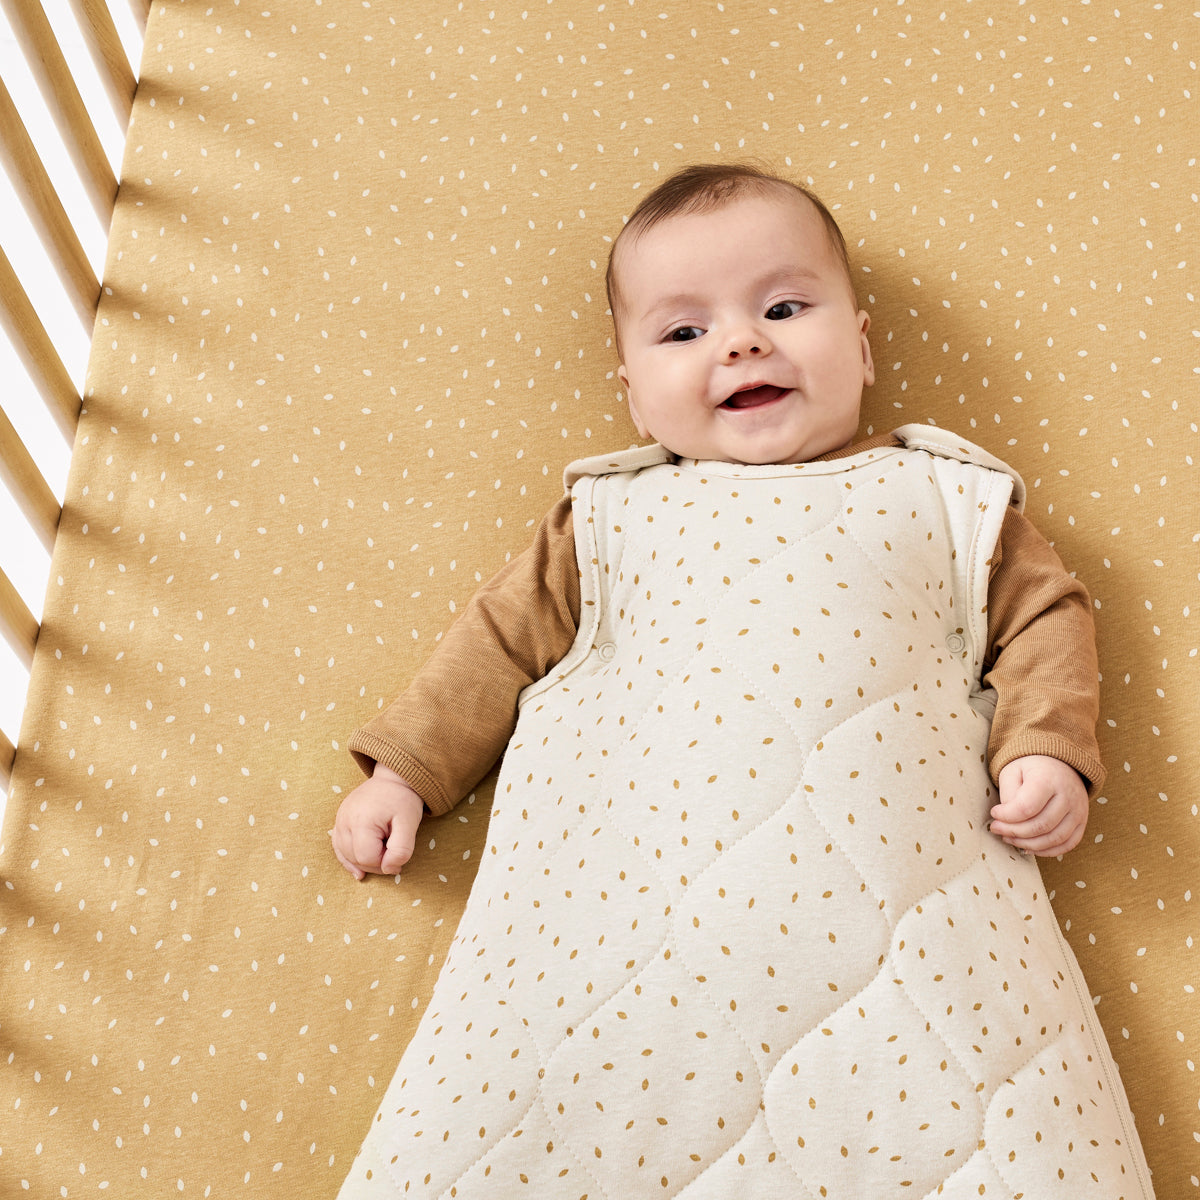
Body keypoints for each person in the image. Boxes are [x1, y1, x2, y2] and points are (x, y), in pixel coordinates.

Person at [332, 163, 1102, 879]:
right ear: (635, 398)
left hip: (901, 852)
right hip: (644, 860)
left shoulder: (944, 495)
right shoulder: (611, 515)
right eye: (684, 332)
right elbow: (498, 641)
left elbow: (1045, 615)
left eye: (783, 309)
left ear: (863, 350)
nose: (743, 341)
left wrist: (1046, 745)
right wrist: (404, 776)